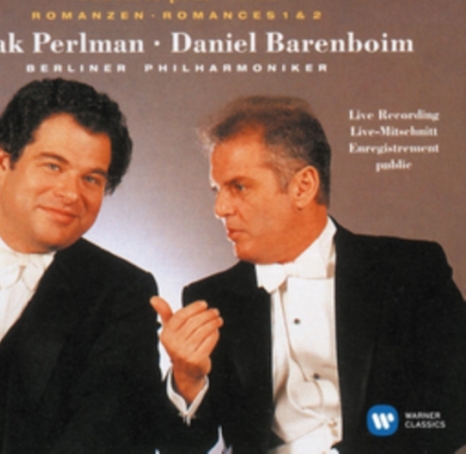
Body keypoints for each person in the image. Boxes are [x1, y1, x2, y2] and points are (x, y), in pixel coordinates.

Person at [151, 95, 466, 454]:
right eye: (217, 190)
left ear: (303, 186)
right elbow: (181, 447)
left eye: (239, 186)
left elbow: (454, 408)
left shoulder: (410, 269)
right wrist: (187, 378)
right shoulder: (211, 298)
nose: (220, 208)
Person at [0, 78, 163, 453]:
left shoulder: (123, 292)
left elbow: (109, 435)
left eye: (91, 178)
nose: (70, 193)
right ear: (4, 163)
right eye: (52, 166)